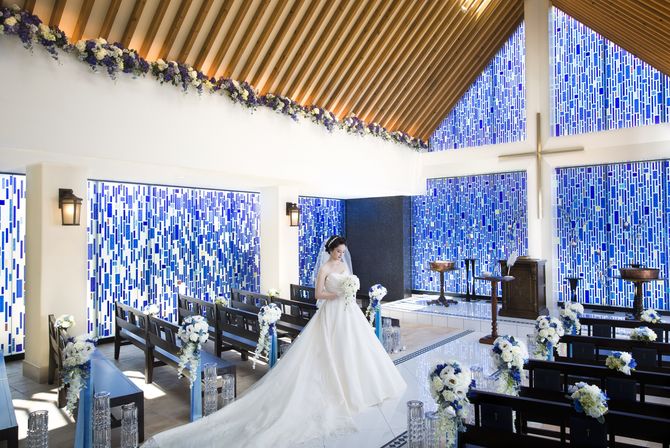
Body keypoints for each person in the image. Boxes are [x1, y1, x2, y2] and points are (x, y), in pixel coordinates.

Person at [144, 235, 406, 448]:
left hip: (348, 313)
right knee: (330, 350)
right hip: (332, 313)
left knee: (353, 349)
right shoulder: (325, 268)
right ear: (330, 251)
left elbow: (348, 282)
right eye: (338, 252)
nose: (341, 255)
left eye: (343, 252)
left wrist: (349, 290)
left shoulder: (343, 265)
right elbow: (318, 294)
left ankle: (358, 387)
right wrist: (337, 294)